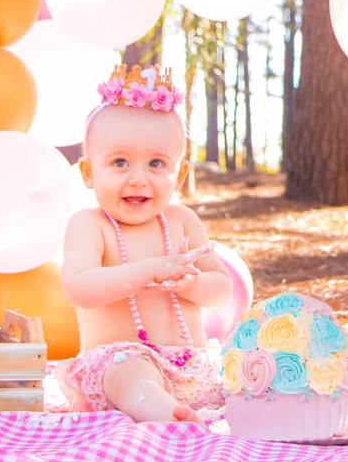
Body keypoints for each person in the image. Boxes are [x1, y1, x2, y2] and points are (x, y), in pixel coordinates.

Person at [56, 64, 232, 423]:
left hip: (191, 364)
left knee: (246, 369)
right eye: (120, 162)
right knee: (131, 374)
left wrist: (193, 282)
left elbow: (222, 291)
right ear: (89, 173)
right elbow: (78, 288)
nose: (139, 179)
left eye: (156, 163)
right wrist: (148, 270)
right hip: (120, 364)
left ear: (178, 175)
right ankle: (166, 415)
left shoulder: (182, 221)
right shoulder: (90, 225)